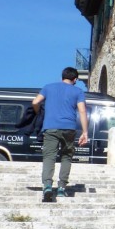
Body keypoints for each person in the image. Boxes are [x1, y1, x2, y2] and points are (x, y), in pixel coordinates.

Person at [32, 67, 89, 203]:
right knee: (66, 156)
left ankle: (47, 186)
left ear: (61, 77)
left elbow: (35, 102)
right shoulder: (78, 91)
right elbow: (82, 111)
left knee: (49, 156)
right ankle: (62, 188)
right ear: (75, 79)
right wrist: (85, 132)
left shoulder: (48, 87)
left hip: (50, 127)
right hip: (69, 128)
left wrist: (38, 112)